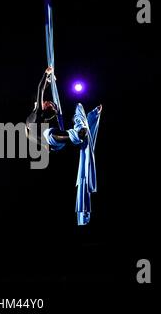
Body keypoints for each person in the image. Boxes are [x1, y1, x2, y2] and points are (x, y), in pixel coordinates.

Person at [25, 67, 102, 225]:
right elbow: (40, 90)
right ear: (43, 106)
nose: (51, 104)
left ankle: (79, 132)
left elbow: (44, 93)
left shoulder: (41, 118)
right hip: (51, 141)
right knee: (51, 133)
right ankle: (77, 134)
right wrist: (46, 74)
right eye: (50, 104)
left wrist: (48, 81)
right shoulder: (38, 111)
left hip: (54, 144)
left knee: (60, 128)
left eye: (52, 105)